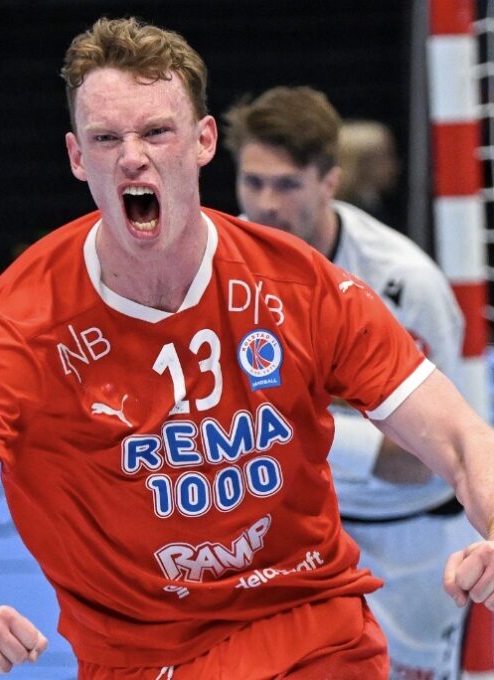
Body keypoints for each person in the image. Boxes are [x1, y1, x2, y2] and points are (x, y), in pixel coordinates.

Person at [0, 18, 494, 680]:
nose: (131, 157)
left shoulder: (301, 287)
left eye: (155, 132)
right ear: (77, 157)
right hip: (138, 658)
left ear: (203, 141)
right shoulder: (21, 324)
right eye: (106, 138)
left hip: (306, 625)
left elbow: (462, 438)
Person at [222, 85, 479, 679]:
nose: (265, 204)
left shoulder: (404, 285)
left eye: (287, 185)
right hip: (294, 534)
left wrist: (295, 427)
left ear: (329, 182)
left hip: (411, 545)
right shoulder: (215, 266)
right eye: (253, 182)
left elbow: (436, 457)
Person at [336, 119, 402, 227]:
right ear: (363, 164)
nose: (395, 165)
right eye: (387, 156)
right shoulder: (347, 216)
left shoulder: (376, 205)